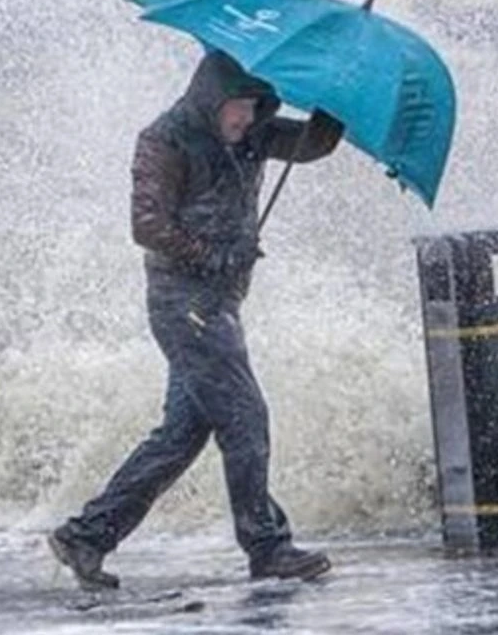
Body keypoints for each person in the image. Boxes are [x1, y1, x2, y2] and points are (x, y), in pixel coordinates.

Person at [48, 50, 345, 590]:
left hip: (220, 303)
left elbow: (312, 145)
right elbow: (147, 225)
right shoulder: (165, 140)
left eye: (257, 108)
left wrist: (335, 101)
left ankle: (86, 536)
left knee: (182, 434)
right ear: (212, 99)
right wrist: (212, 255)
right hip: (183, 303)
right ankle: (267, 546)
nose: (247, 120)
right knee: (245, 416)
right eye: (239, 108)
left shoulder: (253, 132)